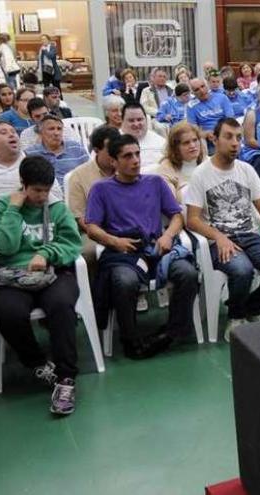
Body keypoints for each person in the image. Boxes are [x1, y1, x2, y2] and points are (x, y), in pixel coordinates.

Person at [84, 133, 198, 359]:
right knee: (124, 282)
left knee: (188, 273)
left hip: (157, 248)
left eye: (137, 154)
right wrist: (114, 241)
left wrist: (168, 236)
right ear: (114, 162)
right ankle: (131, 339)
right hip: (123, 252)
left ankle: (172, 333)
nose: (135, 160)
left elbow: (176, 216)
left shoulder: (155, 182)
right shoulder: (101, 189)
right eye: (128, 156)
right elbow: (92, 227)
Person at [0, 156, 82, 415]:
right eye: (36, 190)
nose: (42, 196)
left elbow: (72, 244)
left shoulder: (57, 209)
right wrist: (14, 210)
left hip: (53, 273)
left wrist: (47, 253)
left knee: (62, 306)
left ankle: (66, 379)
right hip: (12, 276)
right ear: (23, 184)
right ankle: (38, 363)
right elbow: (5, 247)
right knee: (7, 313)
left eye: (46, 190)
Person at [185, 118, 260, 339]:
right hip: (220, 241)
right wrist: (218, 236)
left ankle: (254, 307)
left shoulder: (247, 170)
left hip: (250, 235)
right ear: (215, 139)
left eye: (239, 138)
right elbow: (192, 219)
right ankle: (236, 316)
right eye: (228, 137)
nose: (235, 143)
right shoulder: (201, 174)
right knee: (242, 270)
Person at [67, 125, 120, 273]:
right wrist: (107, 237)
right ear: (96, 150)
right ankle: (96, 295)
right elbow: (80, 217)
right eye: (111, 149)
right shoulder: (79, 176)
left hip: (127, 225)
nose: (116, 153)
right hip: (93, 231)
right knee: (88, 254)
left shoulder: (127, 168)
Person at [0, 121, 61, 208]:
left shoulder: (35, 164)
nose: (11, 135)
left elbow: (57, 197)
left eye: (13, 132)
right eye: (3, 133)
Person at [24, 115, 89, 186]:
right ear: (41, 133)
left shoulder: (76, 147)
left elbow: (89, 172)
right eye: (51, 129)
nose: (56, 133)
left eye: (59, 129)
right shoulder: (30, 154)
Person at [187, 77, 234, 154]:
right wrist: (206, 134)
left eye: (203, 86)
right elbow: (193, 131)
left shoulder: (222, 98)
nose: (201, 91)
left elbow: (230, 120)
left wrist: (220, 132)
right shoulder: (191, 106)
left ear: (207, 86)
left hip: (225, 133)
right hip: (208, 140)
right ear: (193, 93)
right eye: (197, 89)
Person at [119, 102, 166, 168]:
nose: (136, 124)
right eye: (131, 120)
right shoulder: (114, 141)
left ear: (146, 119)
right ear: (122, 121)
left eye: (139, 119)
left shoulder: (161, 142)